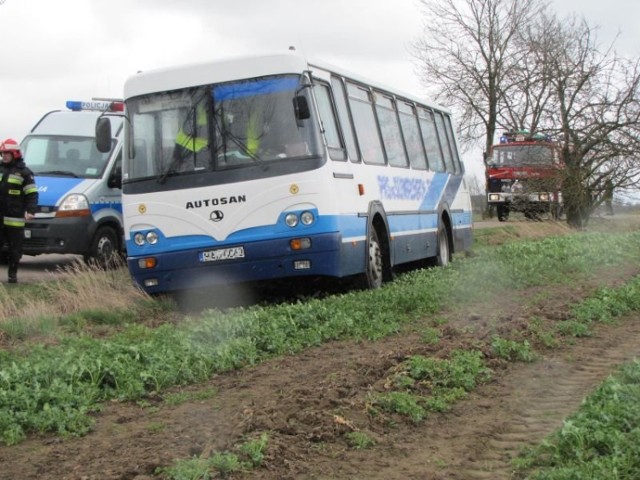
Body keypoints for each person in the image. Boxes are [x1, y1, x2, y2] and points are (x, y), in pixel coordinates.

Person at [0, 138, 38, 283]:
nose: (4, 156)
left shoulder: (24, 173)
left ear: (15, 154)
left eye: (7, 153)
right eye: (2, 153)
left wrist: (31, 210)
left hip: (14, 217)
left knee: (14, 249)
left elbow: (32, 194)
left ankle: (12, 274)